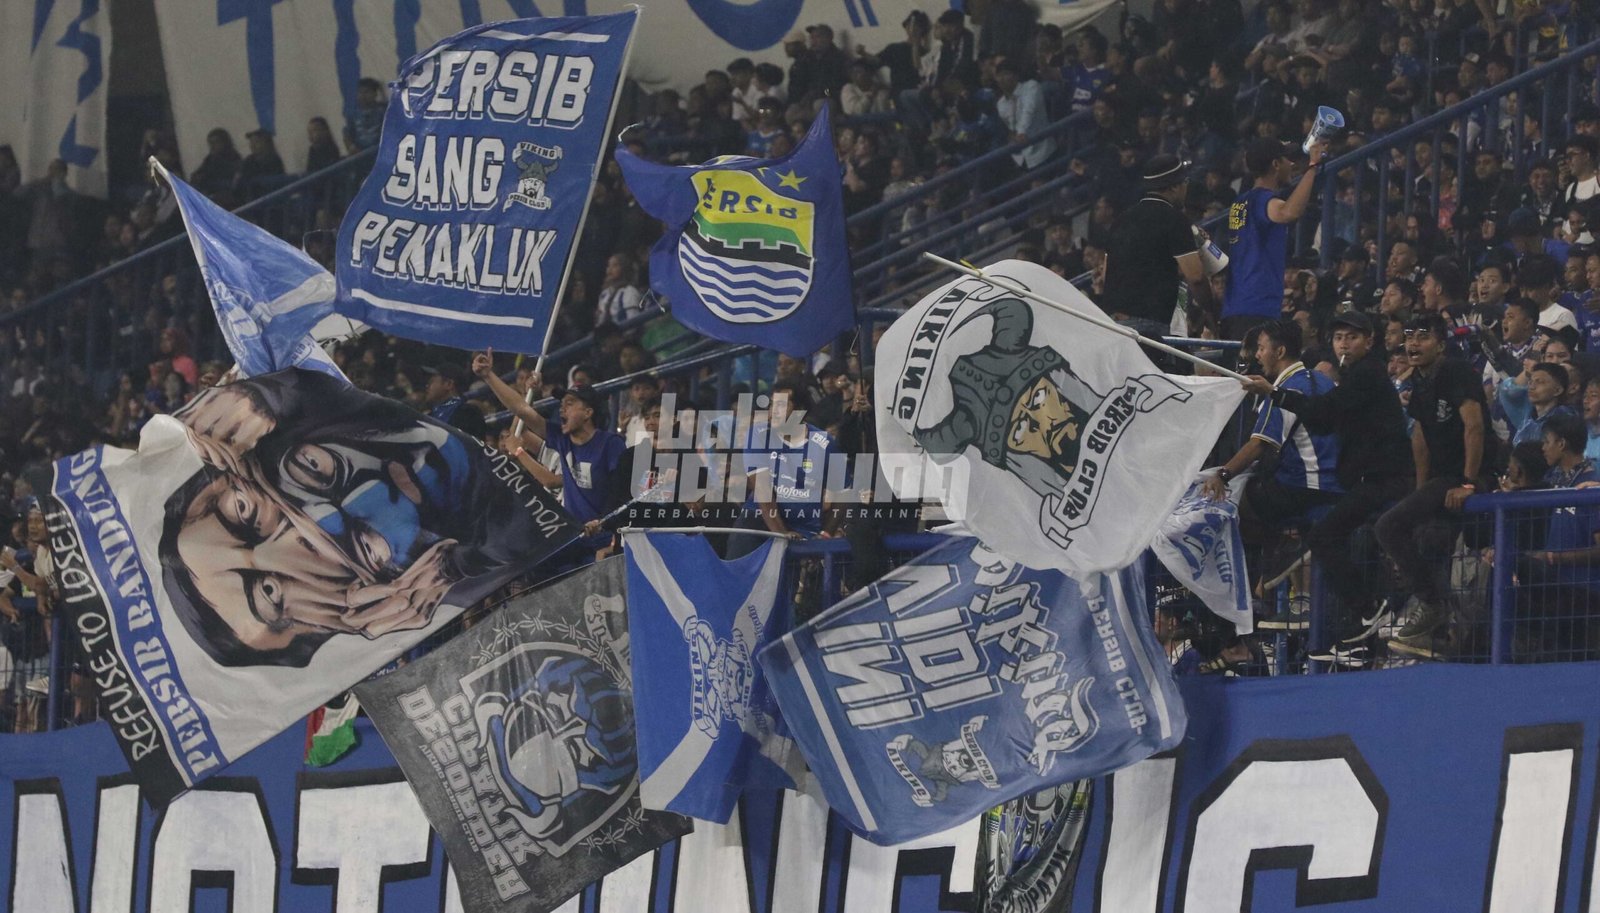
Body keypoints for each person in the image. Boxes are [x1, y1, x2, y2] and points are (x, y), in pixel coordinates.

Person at [1241, 311, 1413, 656]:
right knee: (1326, 536)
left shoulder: (1366, 374)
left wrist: (1275, 393)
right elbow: (1323, 422)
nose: (1344, 344)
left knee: (1323, 536)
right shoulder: (1351, 377)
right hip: (1366, 480)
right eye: (1338, 338)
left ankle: (1370, 607)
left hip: (1384, 481)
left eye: (1352, 337)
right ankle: (1359, 628)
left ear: (1370, 341)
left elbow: (1324, 413)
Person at [1205, 321, 1341, 629]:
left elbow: (1258, 445)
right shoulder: (1323, 380)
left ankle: (1270, 569)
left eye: (1261, 348)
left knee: (1233, 506)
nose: (1257, 355)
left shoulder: (1284, 390)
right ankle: (1283, 573)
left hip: (1306, 485)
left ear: (1279, 352)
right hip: (1337, 484)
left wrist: (1223, 475)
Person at [1375, 314, 1492, 657]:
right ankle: (1440, 635)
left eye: (1423, 336)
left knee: (1387, 526)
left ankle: (1431, 604)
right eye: (1409, 336)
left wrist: (1469, 482)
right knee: (1428, 540)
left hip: (1468, 475)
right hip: (1441, 480)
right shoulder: (1419, 380)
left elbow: (1474, 426)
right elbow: (1421, 439)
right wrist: (1420, 492)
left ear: (1441, 345)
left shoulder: (1455, 371)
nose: (1413, 343)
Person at [472, 355, 628, 565]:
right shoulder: (563, 440)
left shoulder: (610, 444)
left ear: (588, 412)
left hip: (604, 540)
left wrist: (605, 524)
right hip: (575, 538)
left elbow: (622, 492)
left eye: (570, 404)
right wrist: (488, 376)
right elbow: (521, 410)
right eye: (561, 404)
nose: (562, 409)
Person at [1222, 138, 1329, 339]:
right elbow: (1289, 212)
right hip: (1257, 307)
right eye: (1287, 158)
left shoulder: (1240, 202)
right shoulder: (1264, 200)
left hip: (1234, 307)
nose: (1292, 164)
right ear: (1275, 164)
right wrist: (1312, 167)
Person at [1101, 154, 1214, 338]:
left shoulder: (1121, 220)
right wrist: (1210, 310)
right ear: (1174, 186)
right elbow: (1196, 278)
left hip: (1112, 323)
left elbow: (1107, 274)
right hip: (1148, 323)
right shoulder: (1174, 219)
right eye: (1185, 181)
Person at [423, 362, 487, 439]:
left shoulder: (468, 412)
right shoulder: (429, 415)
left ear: (448, 384)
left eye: (431, 382)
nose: (427, 386)